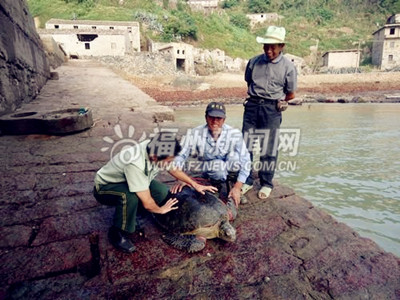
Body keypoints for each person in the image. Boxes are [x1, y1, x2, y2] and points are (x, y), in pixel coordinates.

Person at [93, 132, 217, 253]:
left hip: (133, 179)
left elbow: (173, 169)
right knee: (130, 197)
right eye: (168, 161)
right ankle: (118, 231)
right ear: (154, 157)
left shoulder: (156, 148)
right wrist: (160, 209)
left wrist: (194, 184)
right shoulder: (135, 164)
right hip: (106, 187)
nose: (170, 164)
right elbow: (148, 202)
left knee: (163, 192)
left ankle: (135, 209)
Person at [242, 26, 297, 199]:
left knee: (268, 147)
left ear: (282, 46)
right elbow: (248, 81)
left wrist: (280, 102)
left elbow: (291, 93)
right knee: (246, 146)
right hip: (251, 106)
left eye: (273, 46)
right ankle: (247, 180)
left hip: (271, 109)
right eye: (266, 45)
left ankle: (266, 183)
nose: (269, 50)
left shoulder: (288, 67)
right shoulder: (253, 62)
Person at [174, 102, 251, 207]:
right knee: (217, 166)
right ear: (206, 117)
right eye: (211, 117)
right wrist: (180, 178)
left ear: (224, 120)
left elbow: (246, 160)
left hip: (229, 166)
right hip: (210, 169)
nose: (215, 121)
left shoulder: (235, 133)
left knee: (235, 158)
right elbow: (180, 155)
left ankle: (234, 187)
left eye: (219, 118)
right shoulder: (195, 133)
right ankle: (216, 186)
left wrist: (238, 187)